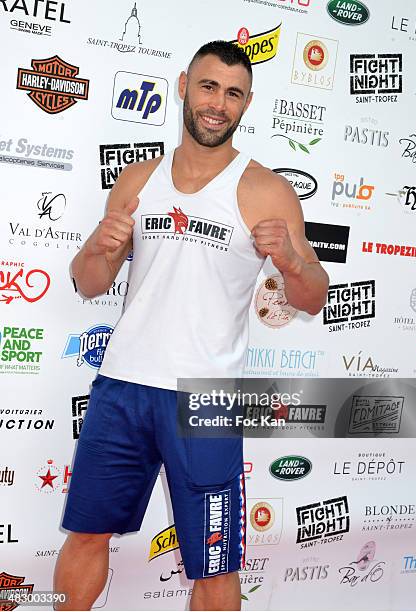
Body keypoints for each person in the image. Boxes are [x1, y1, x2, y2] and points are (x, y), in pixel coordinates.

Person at [53, 40, 329, 611]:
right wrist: (97, 249)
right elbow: (89, 282)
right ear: (183, 86)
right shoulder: (136, 178)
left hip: (206, 400)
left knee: (215, 564)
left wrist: (295, 264)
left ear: (246, 104)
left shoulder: (267, 190)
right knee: (86, 534)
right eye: (208, 87)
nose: (217, 104)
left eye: (232, 94)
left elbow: (314, 297)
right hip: (124, 385)